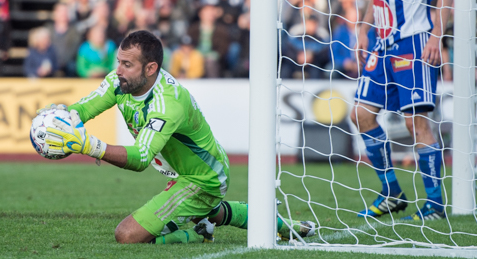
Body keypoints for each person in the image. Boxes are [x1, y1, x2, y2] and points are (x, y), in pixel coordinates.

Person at [38, 31, 313, 244]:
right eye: (118, 62)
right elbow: (84, 108)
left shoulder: (168, 103)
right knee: (212, 210)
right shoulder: (119, 81)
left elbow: (141, 158)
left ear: (150, 68)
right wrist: (61, 119)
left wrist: (89, 146)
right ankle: (278, 223)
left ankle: (197, 235)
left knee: (127, 235)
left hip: (202, 178)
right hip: (185, 172)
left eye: (127, 64)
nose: (118, 70)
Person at [352, 0, 452, 222]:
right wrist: (365, 28)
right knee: (361, 115)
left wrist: (436, 38)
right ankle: (392, 191)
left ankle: (435, 204)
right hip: (381, 45)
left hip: (413, 43)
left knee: (415, 123)